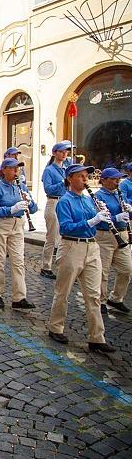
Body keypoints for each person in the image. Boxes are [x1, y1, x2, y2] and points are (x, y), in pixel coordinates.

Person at [46, 165, 115, 353]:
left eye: (86, 176)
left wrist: (105, 217)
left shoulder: (89, 200)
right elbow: (66, 227)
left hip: (91, 247)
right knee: (63, 291)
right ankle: (56, 327)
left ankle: (97, 338)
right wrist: (92, 221)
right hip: (71, 247)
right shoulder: (64, 202)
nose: (85, 180)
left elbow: (96, 222)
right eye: (81, 177)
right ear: (70, 179)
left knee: (94, 295)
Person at [0, 158, 38, 310]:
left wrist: (30, 202)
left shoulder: (20, 186)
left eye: (18, 169)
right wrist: (10, 209)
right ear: (4, 170)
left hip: (17, 225)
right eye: (13, 169)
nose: (16, 171)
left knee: (18, 261)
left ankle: (19, 297)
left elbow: (33, 209)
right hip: (0, 225)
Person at [93, 168, 131, 315]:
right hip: (105, 236)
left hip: (122, 234)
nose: (117, 182)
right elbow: (100, 219)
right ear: (104, 180)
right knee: (103, 271)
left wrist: (129, 209)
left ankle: (116, 298)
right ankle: (100, 300)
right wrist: (116, 217)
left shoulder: (119, 193)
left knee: (127, 269)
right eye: (114, 179)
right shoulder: (98, 196)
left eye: (118, 179)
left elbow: (126, 210)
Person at [40, 141, 72, 279]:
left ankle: (64, 266)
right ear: (55, 153)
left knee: (65, 236)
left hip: (65, 202)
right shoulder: (49, 170)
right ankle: (46, 266)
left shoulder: (66, 168)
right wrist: (62, 182)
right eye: (62, 151)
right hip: (53, 201)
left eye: (66, 151)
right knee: (52, 237)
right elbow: (48, 188)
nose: (65, 153)